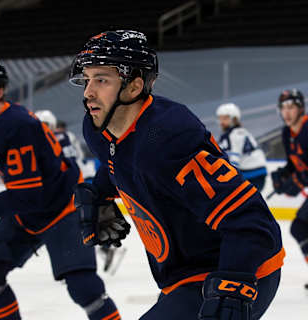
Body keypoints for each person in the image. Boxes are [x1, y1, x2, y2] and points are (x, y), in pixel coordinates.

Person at [69, 30, 284, 320]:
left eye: (102, 79)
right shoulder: (96, 127)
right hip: (183, 274)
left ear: (134, 86)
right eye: (87, 78)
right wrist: (100, 192)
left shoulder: (167, 138)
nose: (88, 92)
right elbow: (116, 156)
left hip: (237, 267)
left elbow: (251, 222)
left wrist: (232, 282)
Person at [0, 59, 121, 320]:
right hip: (31, 210)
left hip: (63, 208)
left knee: (83, 287)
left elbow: (29, 194)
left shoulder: (16, 125)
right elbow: (12, 157)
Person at [36, 109, 126, 274]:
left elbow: (64, 165)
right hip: (82, 178)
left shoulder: (59, 138)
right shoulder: (62, 137)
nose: (41, 129)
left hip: (80, 182)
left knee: (82, 220)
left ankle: (103, 248)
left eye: (43, 125)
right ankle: (103, 247)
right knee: (82, 221)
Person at [271, 89, 308, 289]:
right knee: (300, 227)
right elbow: (296, 164)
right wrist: (285, 174)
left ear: (300, 108)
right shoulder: (288, 133)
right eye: (283, 108)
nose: (287, 112)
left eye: (291, 107)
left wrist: (300, 180)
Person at [216, 103, 267, 191]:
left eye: (225, 118)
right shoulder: (230, 134)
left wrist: (227, 178)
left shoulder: (236, 133)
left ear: (234, 119)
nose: (221, 122)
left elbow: (235, 158)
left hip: (253, 174)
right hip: (251, 173)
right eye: (220, 118)